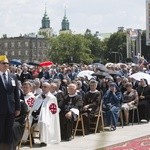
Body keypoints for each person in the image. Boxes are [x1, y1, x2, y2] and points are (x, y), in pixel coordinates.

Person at [29, 82, 61, 146]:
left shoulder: (52, 98)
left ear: (49, 88)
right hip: (35, 117)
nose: (43, 88)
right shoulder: (37, 97)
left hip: (46, 117)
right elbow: (33, 107)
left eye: (45, 87)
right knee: (27, 120)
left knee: (43, 122)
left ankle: (43, 141)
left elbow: (53, 112)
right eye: (42, 86)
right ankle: (29, 139)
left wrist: (44, 115)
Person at [0, 55, 20, 150]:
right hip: (0, 109)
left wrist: (18, 108)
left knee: (9, 131)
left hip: (11, 109)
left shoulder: (13, 77)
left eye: (7, 63)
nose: (6, 65)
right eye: (3, 63)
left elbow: (16, 93)